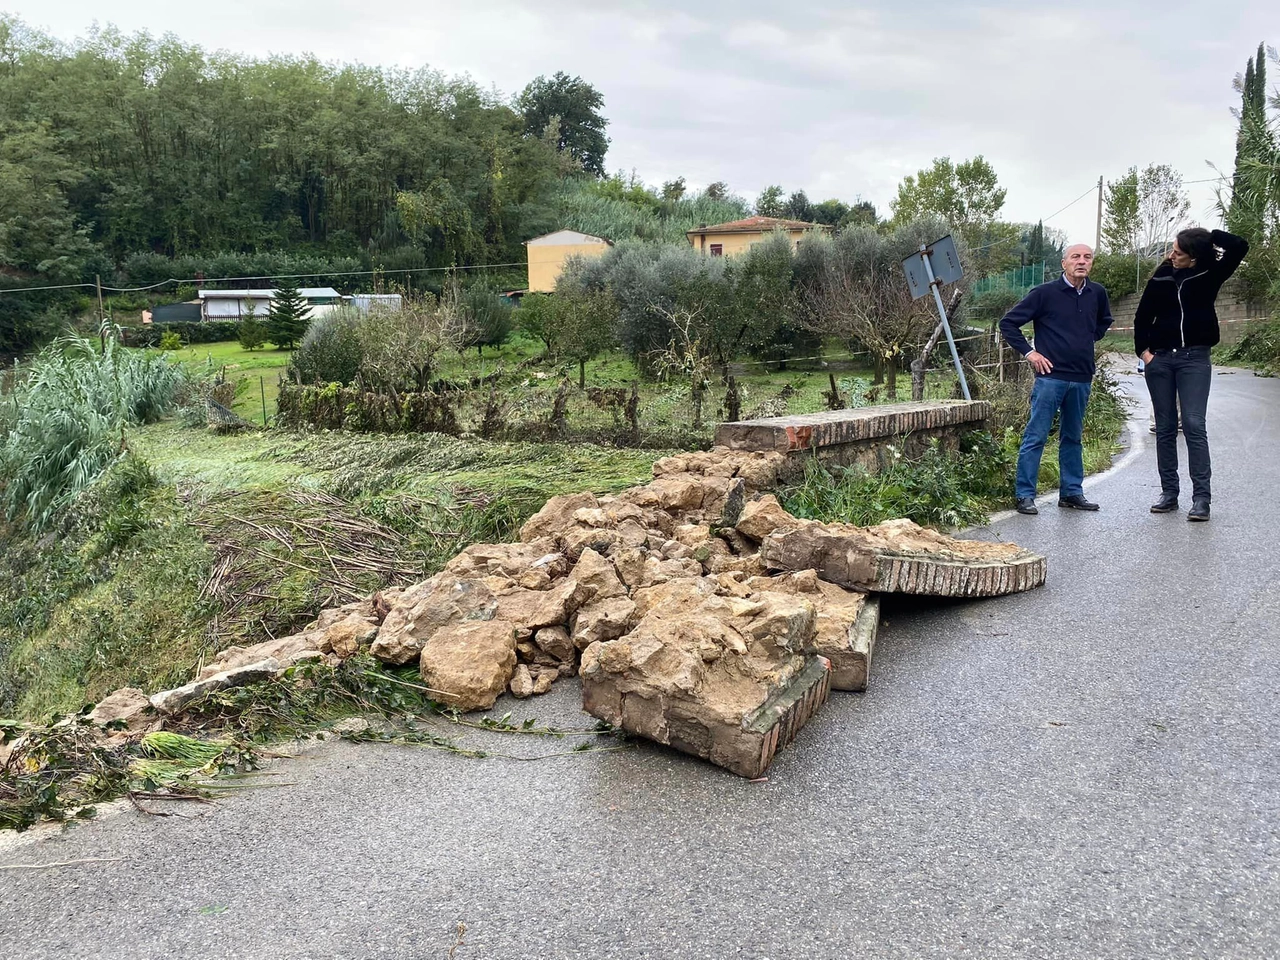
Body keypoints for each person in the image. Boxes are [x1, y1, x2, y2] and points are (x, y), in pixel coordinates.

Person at [1134, 227, 1248, 522]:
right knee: (1165, 427)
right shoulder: (1161, 275)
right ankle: (1169, 494)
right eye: (1172, 249)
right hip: (1160, 360)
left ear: (1194, 257)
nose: (1171, 255)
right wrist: (1145, 354)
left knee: (1195, 424)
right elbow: (1142, 316)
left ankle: (1201, 499)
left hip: (1194, 358)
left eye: (1179, 252)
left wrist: (1210, 235)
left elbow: (1239, 246)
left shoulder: (1210, 275)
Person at [1000, 244, 1114, 515]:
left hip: (1082, 376)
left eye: (1087, 257)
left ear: (1092, 264)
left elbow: (1104, 322)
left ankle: (1072, 492)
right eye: (1076, 257)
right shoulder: (1044, 293)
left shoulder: (1097, 293)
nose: (1082, 262)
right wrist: (1030, 353)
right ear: (1064, 263)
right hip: (1050, 378)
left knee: (1073, 437)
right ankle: (1025, 495)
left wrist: (1085, 338)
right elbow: (1008, 323)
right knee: (1036, 435)